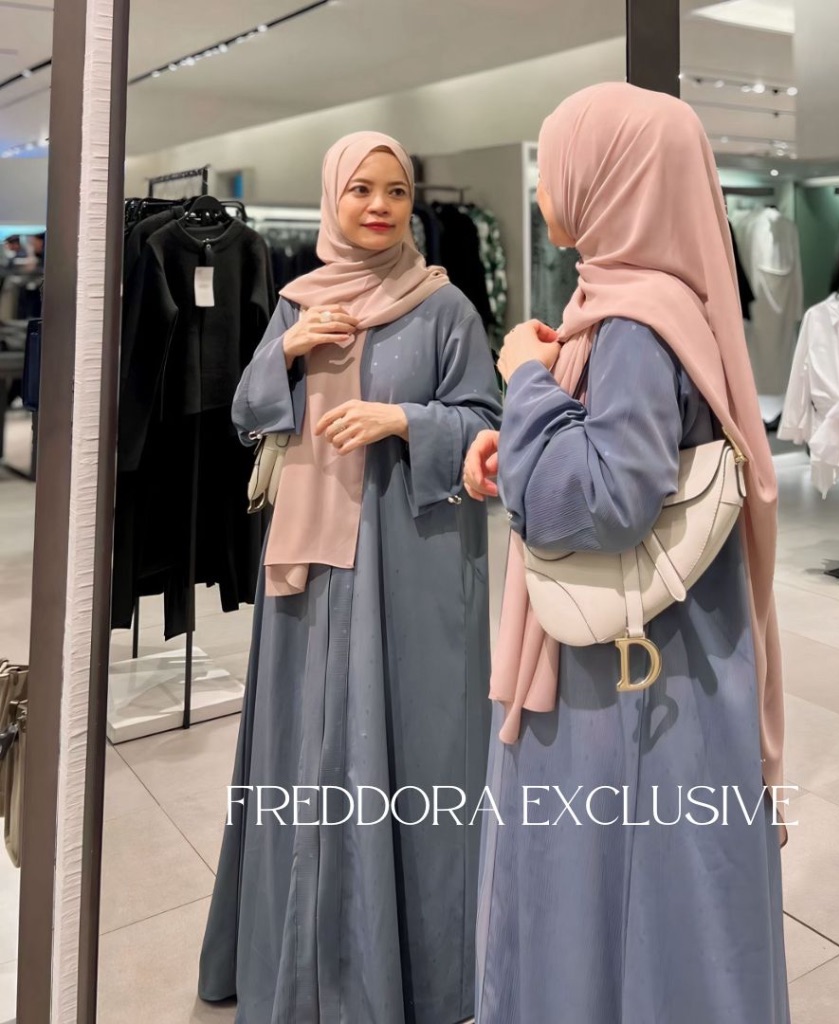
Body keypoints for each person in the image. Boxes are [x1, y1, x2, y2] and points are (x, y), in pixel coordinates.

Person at [464, 83, 791, 1023]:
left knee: (609, 904)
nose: (544, 187)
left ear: (608, 178)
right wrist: (516, 444)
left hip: (624, 681)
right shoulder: (646, 300)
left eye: (557, 164)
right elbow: (621, 456)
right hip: (667, 659)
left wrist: (524, 382)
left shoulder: (636, 319)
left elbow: (608, 500)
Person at [199, 131, 502, 1024]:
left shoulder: (444, 308)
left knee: (411, 736)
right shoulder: (300, 300)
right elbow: (247, 415)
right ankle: (297, 965)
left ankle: (420, 976)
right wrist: (287, 353)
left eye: (396, 190)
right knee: (304, 744)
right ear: (333, 198)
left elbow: (486, 421)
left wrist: (402, 419)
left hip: (407, 554)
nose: (379, 206)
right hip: (309, 563)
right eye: (361, 189)